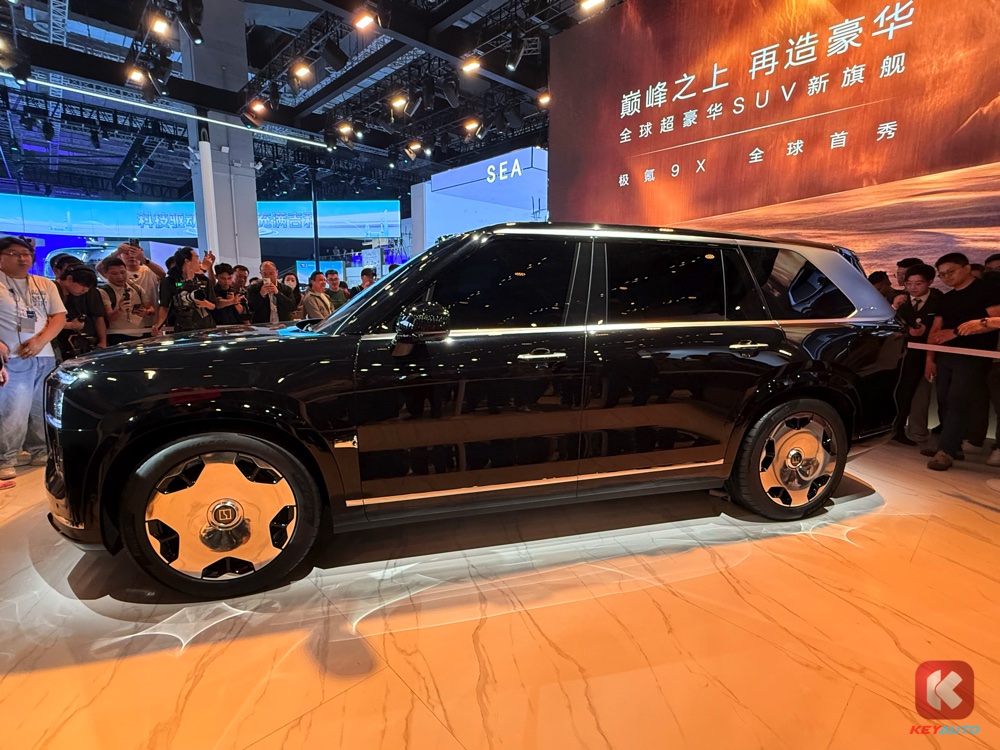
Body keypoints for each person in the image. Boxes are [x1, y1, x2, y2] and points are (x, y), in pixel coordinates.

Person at [922, 253, 1000, 471]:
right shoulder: (947, 298)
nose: (947, 277)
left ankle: (945, 451)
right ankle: (952, 445)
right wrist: (930, 358)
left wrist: (958, 332)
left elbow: (996, 320)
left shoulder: (987, 290)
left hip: (974, 355)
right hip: (947, 355)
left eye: (951, 272)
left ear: (966, 268)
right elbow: (936, 329)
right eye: (942, 275)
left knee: (959, 400)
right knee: (944, 400)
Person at [0, 236, 67, 481]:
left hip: (44, 354)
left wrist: (40, 341)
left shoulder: (44, 283)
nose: (22, 258)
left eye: (26, 254)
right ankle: (5, 457)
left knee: (41, 408)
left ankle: (39, 449)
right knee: (13, 409)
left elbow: (58, 316)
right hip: (11, 357)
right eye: (14, 253)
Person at [892, 264, 944, 445]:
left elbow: (939, 329)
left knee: (921, 395)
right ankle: (896, 428)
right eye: (909, 284)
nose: (913, 288)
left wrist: (925, 332)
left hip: (927, 354)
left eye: (918, 283)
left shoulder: (938, 302)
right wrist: (895, 307)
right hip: (901, 354)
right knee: (901, 392)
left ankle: (917, 432)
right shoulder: (900, 301)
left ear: (929, 282)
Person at [152, 247, 217, 335]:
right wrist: (158, 324)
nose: (200, 262)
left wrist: (206, 304)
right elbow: (164, 306)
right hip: (181, 326)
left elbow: (214, 305)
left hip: (205, 325)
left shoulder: (204, 280)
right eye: (197, 258)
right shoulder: (169, 281)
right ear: (187, 261)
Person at [99, 257, 154, 346]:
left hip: (141, 333)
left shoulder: (137, 288)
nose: (120, 277)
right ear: (105, 274)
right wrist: (119, 310)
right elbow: (108, 318)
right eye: (114, 273)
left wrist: (147, 312)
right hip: (117, 335)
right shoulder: (104, 292)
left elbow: (150, 308)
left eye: (123, 272)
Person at [55, 265, 107, 360]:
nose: (85, 290)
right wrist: (71, 325)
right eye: (83, 285)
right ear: (69, 279)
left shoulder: (68, 293)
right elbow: (44, 320)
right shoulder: (52, 290)